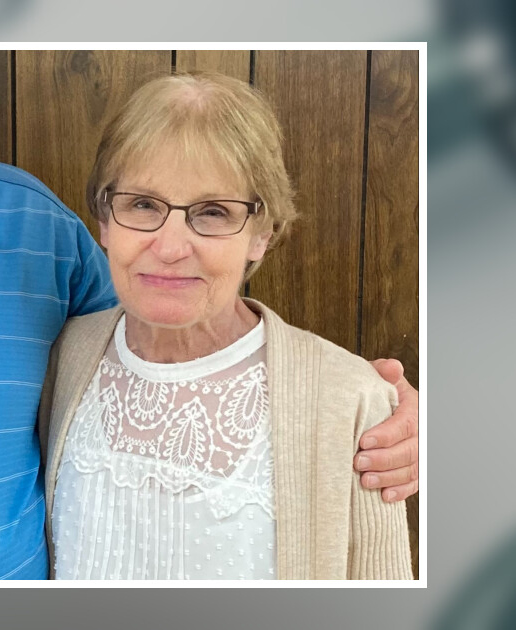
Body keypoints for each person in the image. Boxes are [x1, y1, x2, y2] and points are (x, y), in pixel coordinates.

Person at [36, 72, 415, 579]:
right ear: (105, 220)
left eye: (213, 212)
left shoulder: (349, 400)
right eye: (142, 204)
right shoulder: (63, 357)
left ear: (263, 234)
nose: (171, 247)